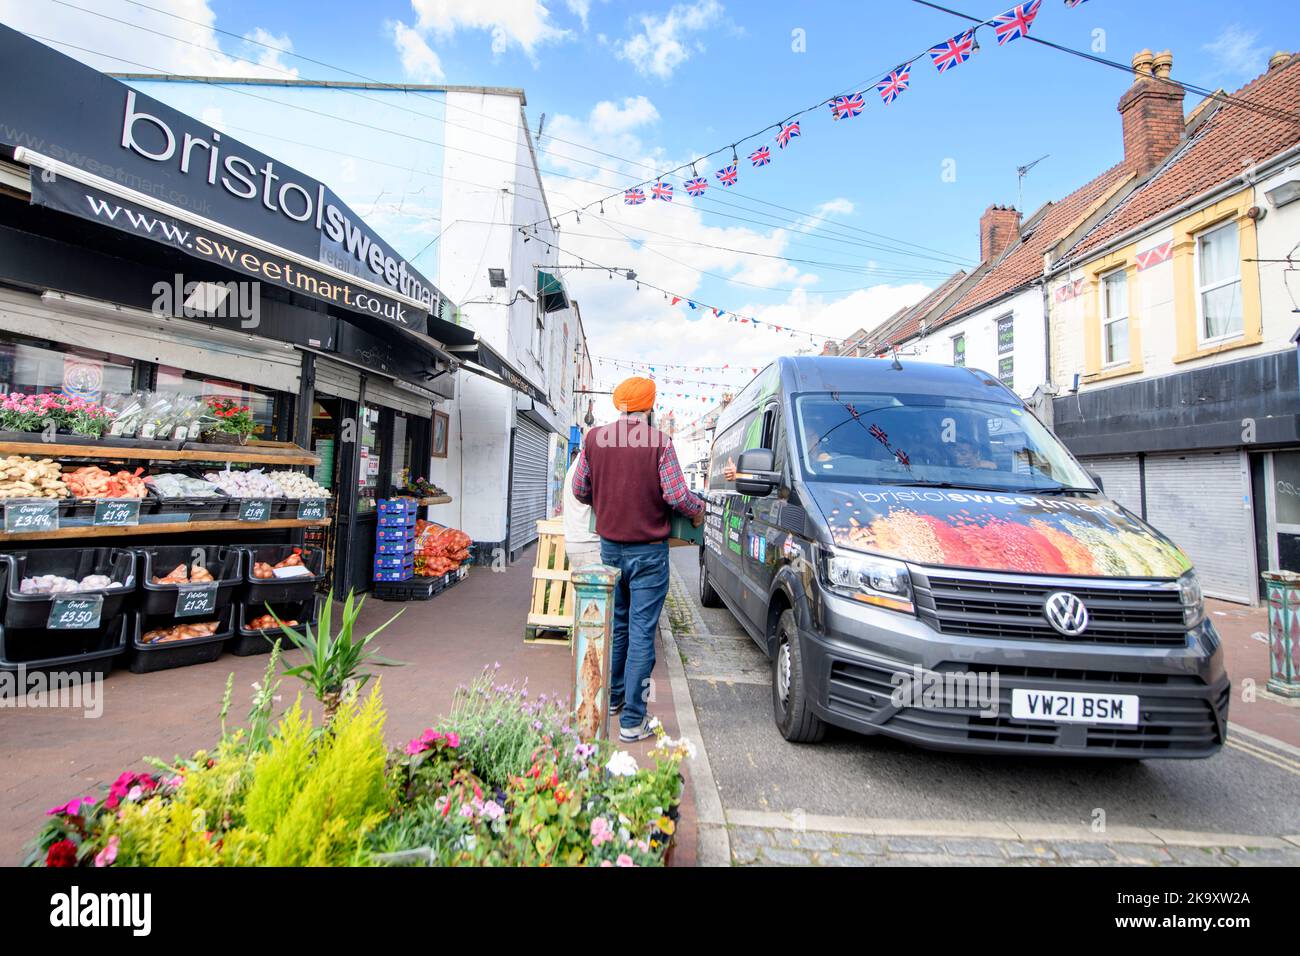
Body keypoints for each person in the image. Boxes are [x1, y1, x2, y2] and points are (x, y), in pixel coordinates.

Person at [572, 376, 705, 742]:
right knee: (642, 632)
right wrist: (698, 512)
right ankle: (633, 719)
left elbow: (580, 489)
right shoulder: (659, 443)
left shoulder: (595, 439)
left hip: (610, 549)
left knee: (617, 627)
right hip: (648, 554)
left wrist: (606, 501)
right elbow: (677, 496)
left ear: (620, 405)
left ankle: (613, 700)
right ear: (649, 406)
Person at [562, 447, 602, 570]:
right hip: (589, 543)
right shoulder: (594, 462)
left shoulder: (576, 466)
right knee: (596, 588)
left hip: (575, 540)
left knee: (582, 587)